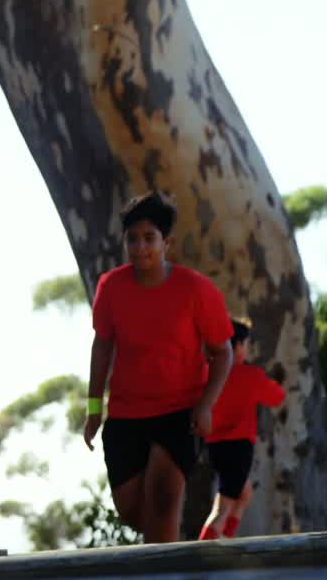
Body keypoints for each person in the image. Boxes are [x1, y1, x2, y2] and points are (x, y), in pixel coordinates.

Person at [82, 191, 234, 543]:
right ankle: (171, 568)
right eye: (132, 239)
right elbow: (102, 347)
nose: (140, 248)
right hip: (125, 416)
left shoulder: (196, 290)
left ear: (166, 242)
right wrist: (93, 409)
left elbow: (222, 352)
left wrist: (206, 403)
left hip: (179, 413)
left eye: (149, 239)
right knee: (136, 514)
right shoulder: (111, 288)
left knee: (163, 503)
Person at [198, 319, 286, 540]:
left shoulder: (208, 375)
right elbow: (277, 397)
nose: (247, 348)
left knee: (244, 492)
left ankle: (227, 538)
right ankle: (199, 555)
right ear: (236, 346)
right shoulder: (250, 375)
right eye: (245, 344)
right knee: (222, 508)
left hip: (215, 448)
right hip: (239, 449)